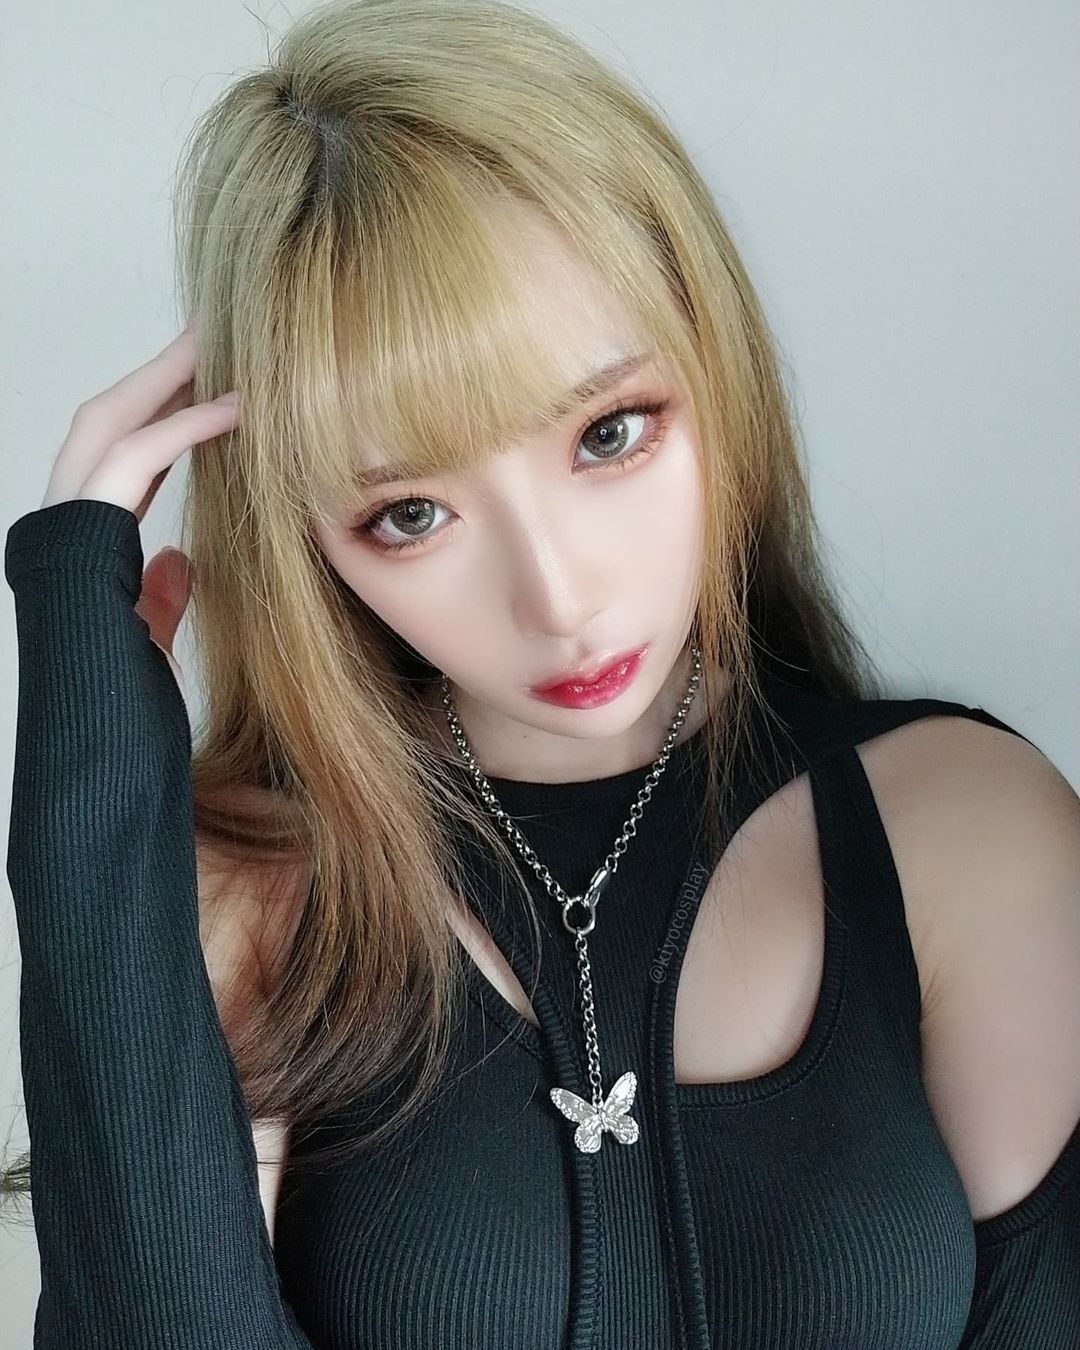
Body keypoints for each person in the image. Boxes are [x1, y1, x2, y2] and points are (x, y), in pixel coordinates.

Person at [3, 0, 1078, 1345]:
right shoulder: (255, 893)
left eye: (610, 433)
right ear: (308, 545)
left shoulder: (963, 829)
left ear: (714, 361)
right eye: (410, 513)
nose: (559, 597)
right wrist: (89, 771)